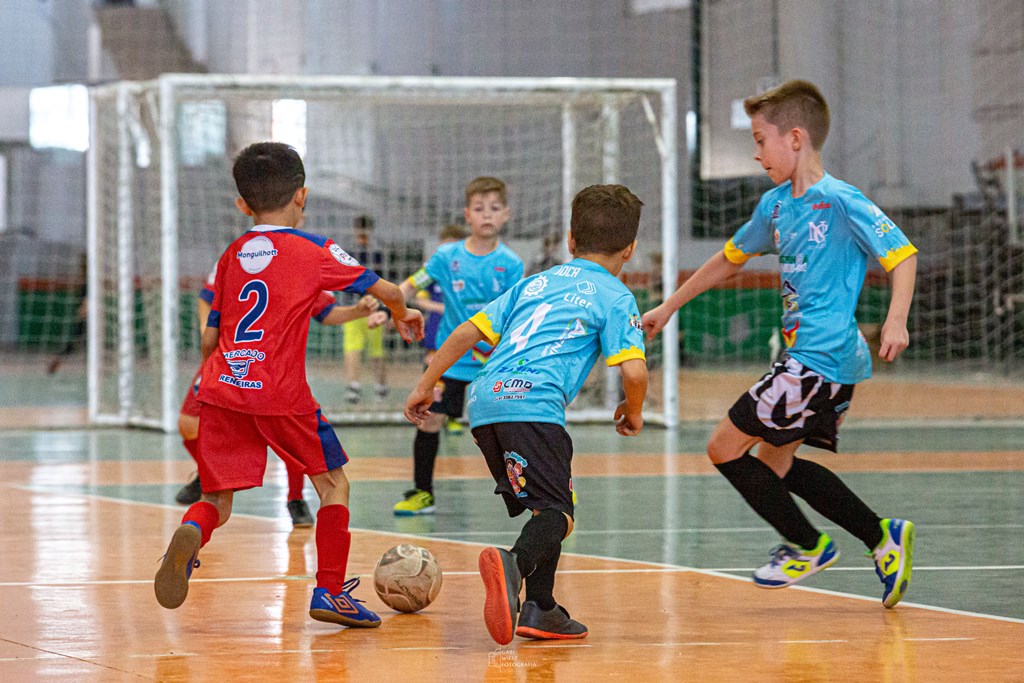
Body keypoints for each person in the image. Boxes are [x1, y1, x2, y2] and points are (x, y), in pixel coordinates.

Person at [642, 80, 917, 608]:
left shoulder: (839, 200)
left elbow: (902, 255)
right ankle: (882, 537)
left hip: (821, 357)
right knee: (775, 465)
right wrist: (669, 305)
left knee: (723, 447)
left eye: (760, 139)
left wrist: (895, 319)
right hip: (808, 361)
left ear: (796, 138)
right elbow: (729, 258)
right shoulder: (774, 206)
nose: (755, 151)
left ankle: (807, 545)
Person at [154, 142, 423, 629]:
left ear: (242, 204)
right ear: (303, 195)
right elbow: (385, 290)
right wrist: (405, 315)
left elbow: (211, 335)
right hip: (280, 392)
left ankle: (191, 530)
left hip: (222, 385)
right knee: (333, 483)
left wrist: (223, 375)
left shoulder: (232, 255)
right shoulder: (313, 249)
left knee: (217, 500)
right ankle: (330, 592)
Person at [405, 184, 648, 643]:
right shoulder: (616, 296)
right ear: (630, 249)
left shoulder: (535, 282)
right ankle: (511, 565)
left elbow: (464, 332)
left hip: (484, 401)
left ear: (571, 241)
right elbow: (634, 372)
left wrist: (424, 385)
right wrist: (632, 411)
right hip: (534, 405)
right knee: (559, 513)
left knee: (546, 503)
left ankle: (542, 608)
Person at [174, 261, 380, 530]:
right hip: (233, 359)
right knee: (189, 424)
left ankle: (293, 499)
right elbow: (207, 296)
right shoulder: (243, 257)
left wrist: (357, 311)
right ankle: (208, 474)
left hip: (251, 364)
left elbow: (325, 311)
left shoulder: (295, 260)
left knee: (284, 440)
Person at [392, 177, 524, 516]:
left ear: (506, 214)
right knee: (429, 422)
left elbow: (515, 313)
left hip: (492, 362)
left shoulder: (511, 264)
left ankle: (540, 488)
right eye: (479, 209)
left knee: (512, 427)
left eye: (494, 208)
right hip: (449, 359)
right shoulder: (446, 257)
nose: (486, 215)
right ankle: (423, 493)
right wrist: (389, 306)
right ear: (468, 214)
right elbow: (411, 284)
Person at [342, 215, 389, 404]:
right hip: (353, 306)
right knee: (352, 347)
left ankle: (381, 385)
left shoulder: (377, 253)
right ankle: (354, 385)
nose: (363, 236)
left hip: (373, 307)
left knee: (375, 350)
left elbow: (384, 282)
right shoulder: (347, 252)